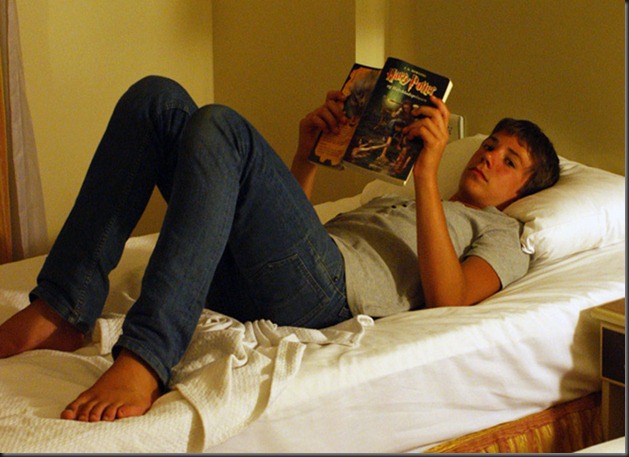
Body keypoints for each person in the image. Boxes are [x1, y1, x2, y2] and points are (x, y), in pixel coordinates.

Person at [0, 76, 559, 423]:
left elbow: (451, 299)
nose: (489, 157)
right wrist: (306, 157)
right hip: (277, 275)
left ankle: (146, 356)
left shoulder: (506, 234)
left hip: (329, 295)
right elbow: (281, 235)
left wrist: (428, 174)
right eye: (490, 145)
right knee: (156, 99)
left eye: (509, 161)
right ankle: (61, 308)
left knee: (222, 126)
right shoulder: (396, 199)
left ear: (523, 192)